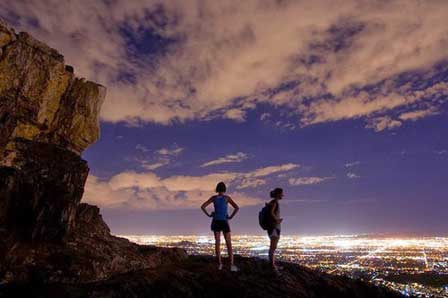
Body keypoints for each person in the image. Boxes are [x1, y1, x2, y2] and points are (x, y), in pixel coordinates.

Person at [201, 182, 240, 272]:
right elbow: (237, 208)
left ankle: (219, 264)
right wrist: (230, 216)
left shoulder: (214, 198)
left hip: (215, 221)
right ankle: (231, 265)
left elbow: (203, 206)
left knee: (217, 243)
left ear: (217, 189)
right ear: (224, 189)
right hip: (224, 221)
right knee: (228, 243)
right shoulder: (227, 198)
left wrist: (209, 215)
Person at [267, 187, 283, 273]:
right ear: (278, 194)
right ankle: (272, 267)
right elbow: (271, 212)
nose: (283, 195)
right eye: (281, 193)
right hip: (274, 228)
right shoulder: (274, 203)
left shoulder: (272, 202)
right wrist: (277, 220)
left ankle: (273, 264)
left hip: (272, 227)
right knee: (272, 247)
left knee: (273, 247)